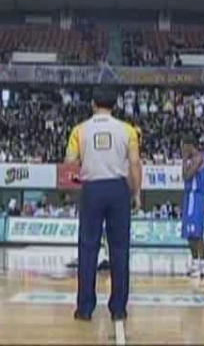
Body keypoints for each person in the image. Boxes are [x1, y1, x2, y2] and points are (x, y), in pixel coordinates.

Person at [65, 87, 141, 322]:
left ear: (93, 104)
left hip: (92, 188)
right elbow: (135, 164)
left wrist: (77, 184)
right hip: (118, 189)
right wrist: (136, 193)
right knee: (120, 249)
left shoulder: (79, 130)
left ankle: (85, 308)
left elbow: (69, 163)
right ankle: (118, 308)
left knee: (88, 249)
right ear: (115, 105)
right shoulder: (127, 130)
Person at [181, 134, 204, 278]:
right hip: (189, 197)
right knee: (189, 233)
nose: (182, 149)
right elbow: (184, 176)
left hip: (196, 197)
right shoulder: (191, 159)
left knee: (197, 233)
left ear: (189, 145)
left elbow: (187, 176)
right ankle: (195, 263)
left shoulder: (199, 158)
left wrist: (184, 159)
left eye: (183, 146)